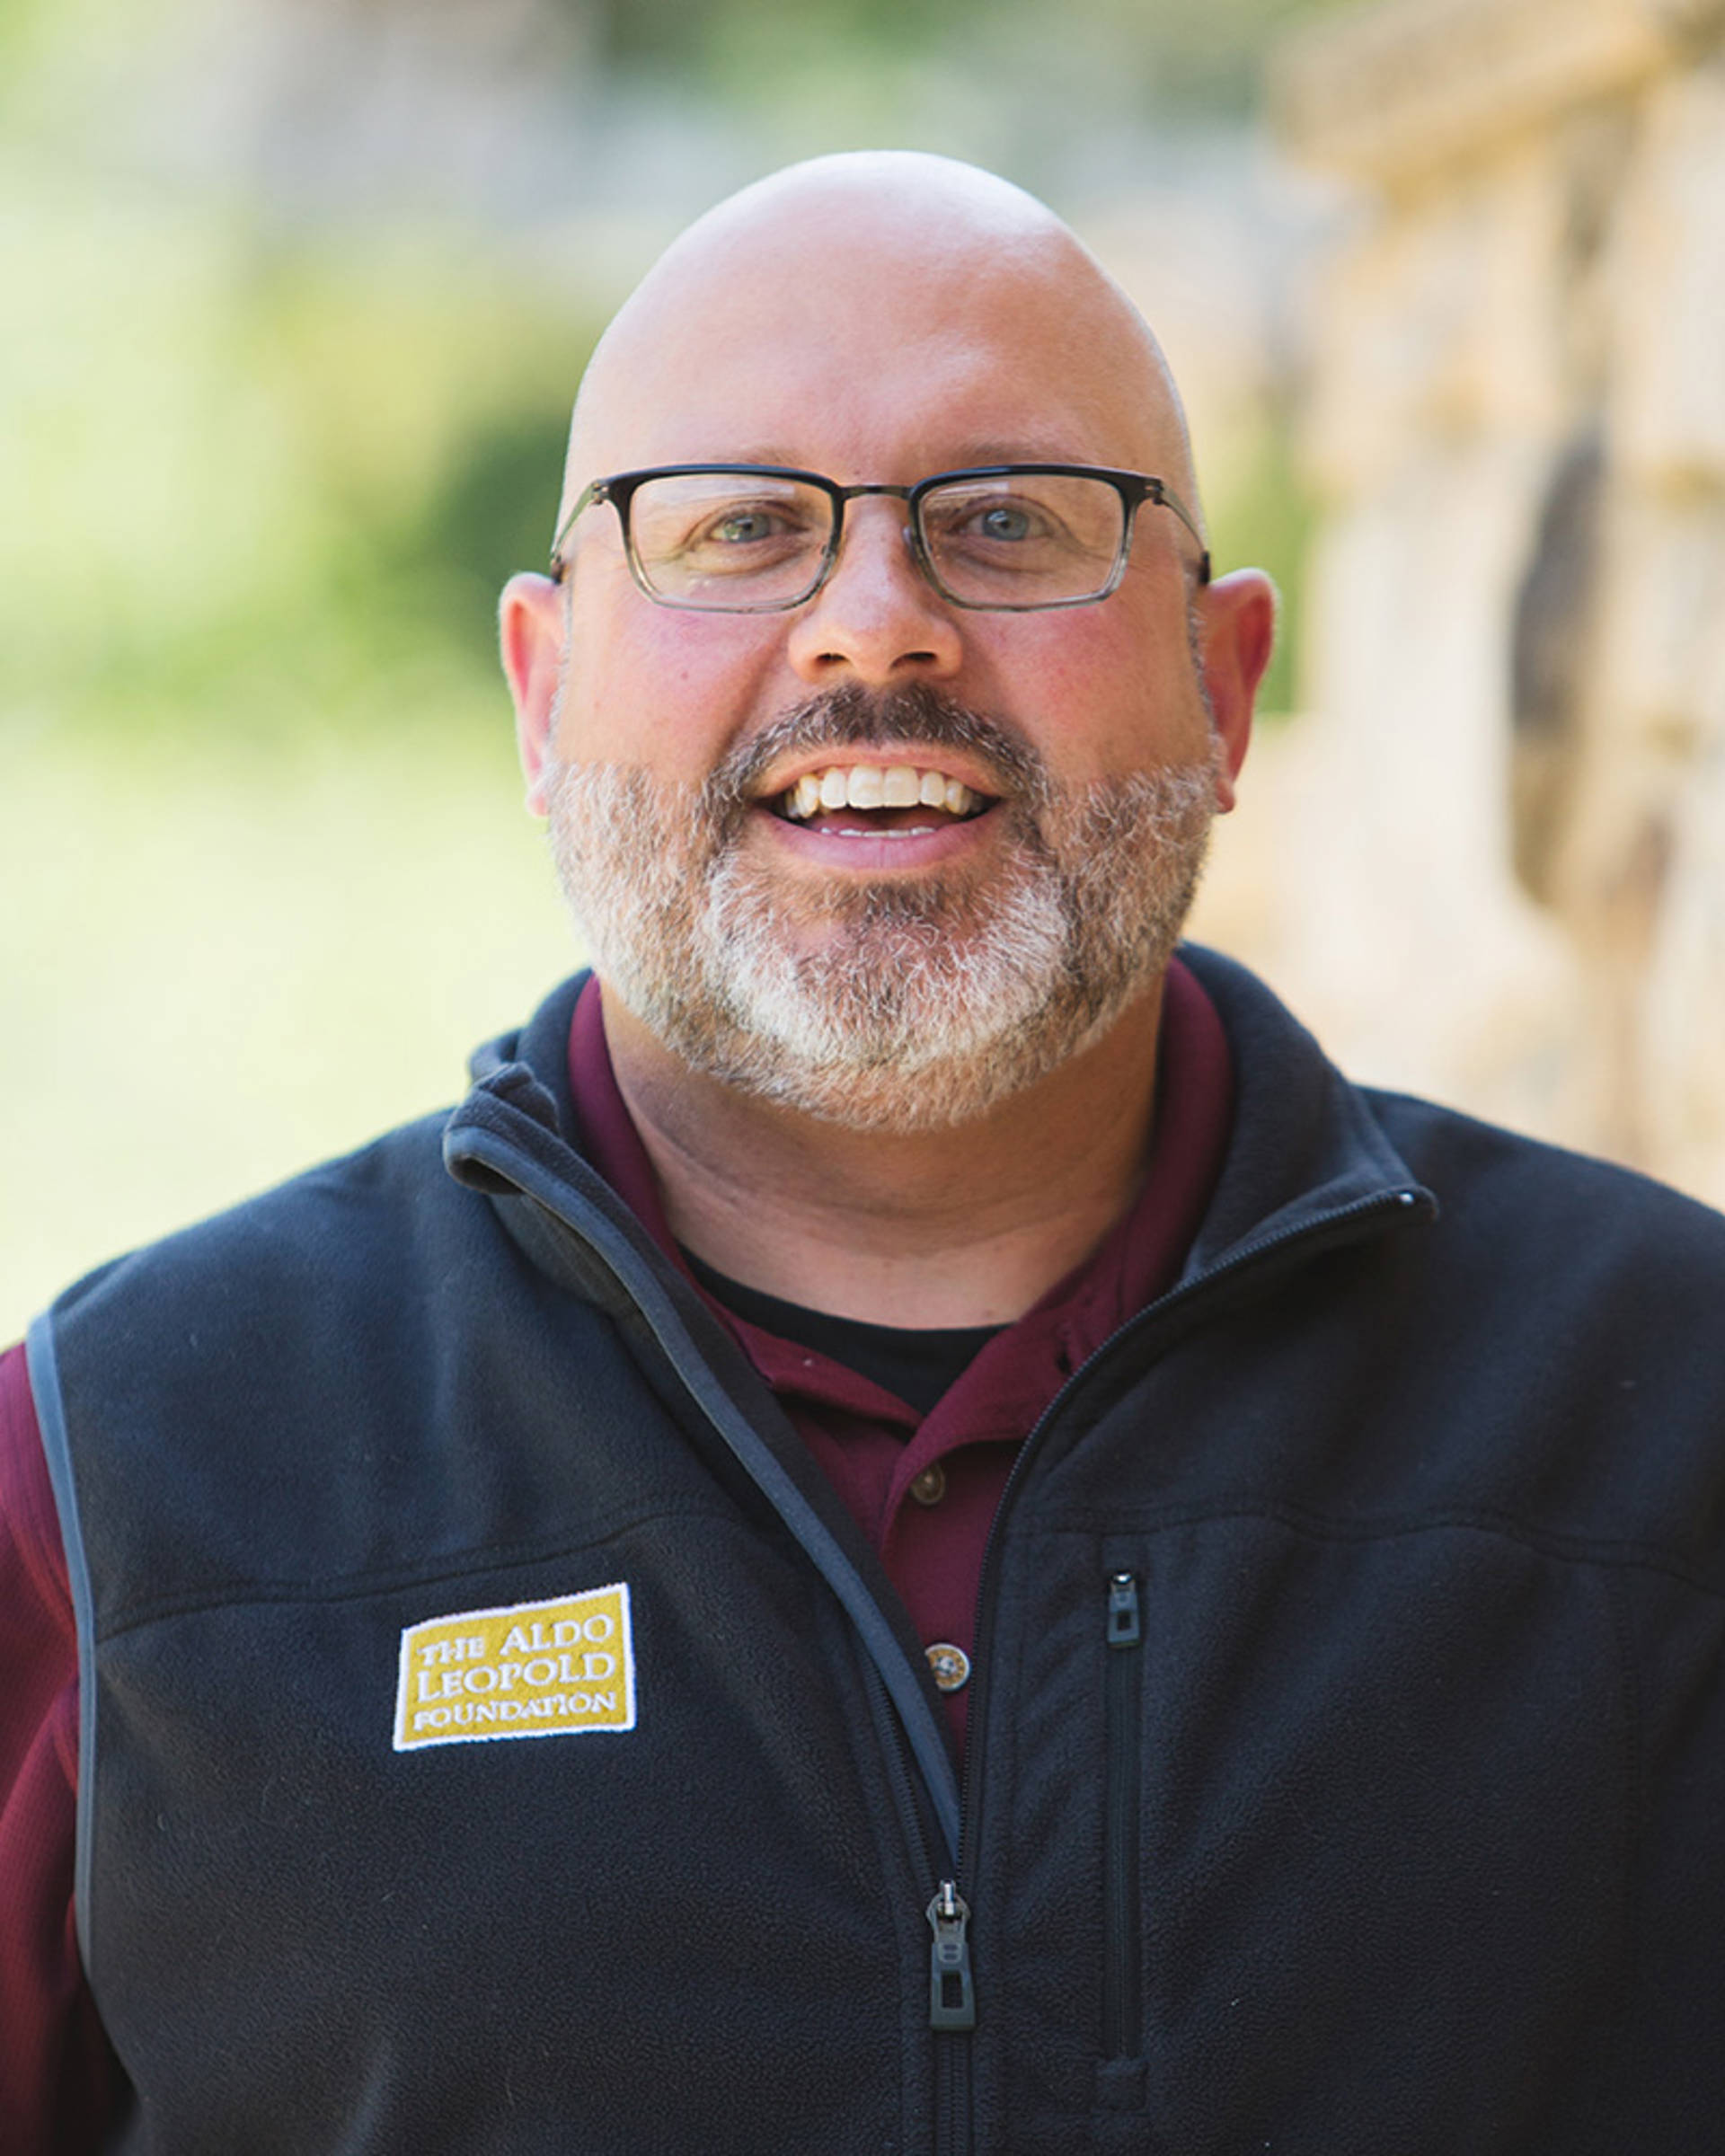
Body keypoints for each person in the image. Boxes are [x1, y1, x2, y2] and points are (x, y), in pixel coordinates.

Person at [4, 149, 1722, 2156]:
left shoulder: (1669, 1419)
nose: (874, 631)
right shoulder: (120, 1486)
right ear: (544, 698)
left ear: (1226, 683)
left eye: (1006, 521)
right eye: (737, 527)